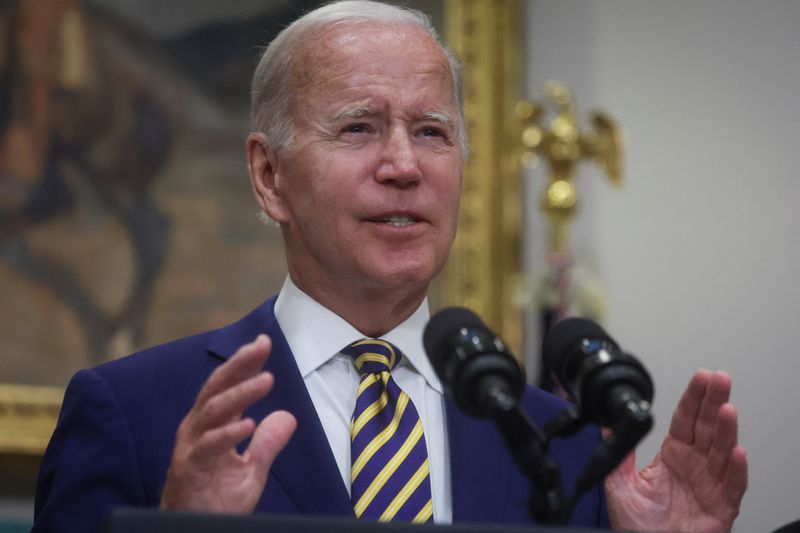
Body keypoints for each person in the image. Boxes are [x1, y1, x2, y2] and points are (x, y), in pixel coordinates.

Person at [32, 2, 748, 532]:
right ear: (269, 175)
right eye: (359, 128)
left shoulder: (558, 442)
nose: (404, 165)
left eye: (432, 132)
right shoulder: (134, 413)